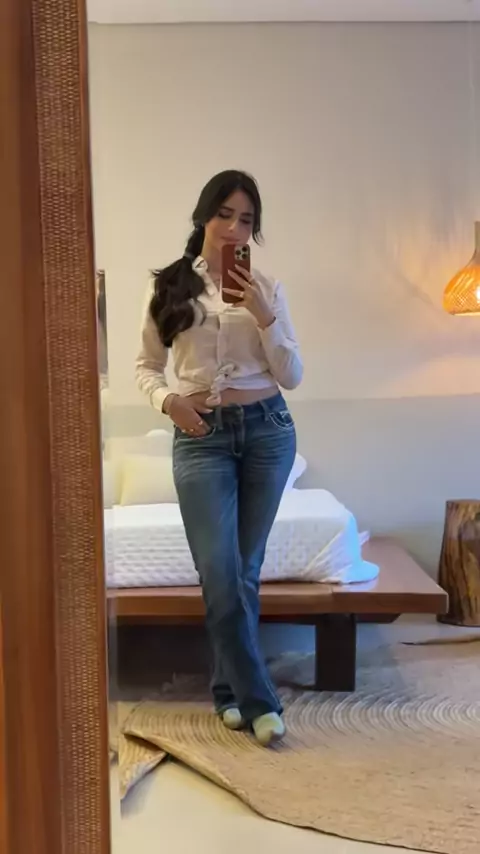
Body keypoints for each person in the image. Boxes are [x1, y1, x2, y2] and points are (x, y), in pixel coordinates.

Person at [136, 170, 303, 746]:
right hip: (201, 435)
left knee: (244, 570)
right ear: (203, 217)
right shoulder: (169, 288)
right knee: (219, 569)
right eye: (225, 214)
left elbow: (292, 375)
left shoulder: (268, 288)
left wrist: (264, 315)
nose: (234, 228)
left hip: (267, 431)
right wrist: (169, 402)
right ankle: (261, 702)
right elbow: (146, 366)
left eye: (246, 219)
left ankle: (228, 691)